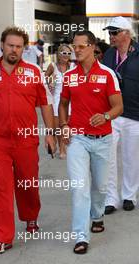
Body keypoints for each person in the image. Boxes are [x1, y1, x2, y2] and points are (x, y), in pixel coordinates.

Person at [0, 26, 56, 255]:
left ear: (23, 49)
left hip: (26, 141)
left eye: (19, 47)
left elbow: (46, 103)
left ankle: (30, 217)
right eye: (10, 45)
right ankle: (1, 237)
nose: (14, 50)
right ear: (2, 45)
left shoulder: (34, 72)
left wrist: (50, 132)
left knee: (27, 183)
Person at [59, 30, 123, 254]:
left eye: (80, 46)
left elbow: (118, 107)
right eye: (73, 46)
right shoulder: (69, 76)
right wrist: (64, 125)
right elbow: (63, 104)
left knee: (100, 187)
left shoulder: (107, 74)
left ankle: (97, 216)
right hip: (77, 139)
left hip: (103, 140)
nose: (75, 50)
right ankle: (80, 236)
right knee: (80, 188)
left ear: (93, 47)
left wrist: (105, 116)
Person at [102, 16, 139, 214]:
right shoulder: (108, 55)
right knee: (108, 157)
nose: (111, 36)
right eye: (110, 32)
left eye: (115, 32)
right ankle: (110, 198)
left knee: (131, 158)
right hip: (113, 113)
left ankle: (129, 196)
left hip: (135, 114)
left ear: (126, 33)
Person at [45, 44, 74, 159]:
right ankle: (59, 147)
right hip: (56, 99)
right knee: (58, 127)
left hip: (70, 100)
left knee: (66, 125)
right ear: (59, 53)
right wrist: (49, 83)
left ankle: (63, 149)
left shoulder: (73, 66)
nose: (66, 55)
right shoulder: (53, 66)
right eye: (63, 53)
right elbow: (45, 77)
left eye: (68, 53)